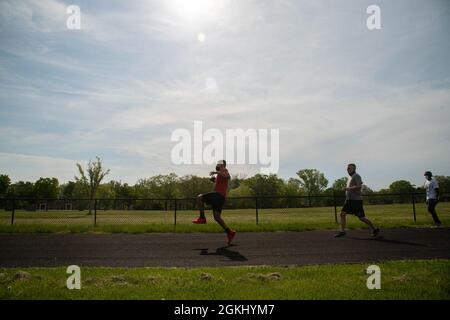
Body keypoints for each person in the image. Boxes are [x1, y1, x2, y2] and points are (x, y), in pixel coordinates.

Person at [192, 160, 236, 244]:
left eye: (219, 163)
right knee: (217, 217)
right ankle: (230, 232)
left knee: (199, 197)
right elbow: (222, 182)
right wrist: (214, 180)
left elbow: (228, 177)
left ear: (223, 165)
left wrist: (217, 172)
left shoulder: (223, 170)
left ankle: (202, 218)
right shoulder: (220, 173)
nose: (217, 164)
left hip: (218, 195)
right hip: (221, 198)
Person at [335, 163, 380, 238]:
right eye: (347, 168)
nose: (347, 169)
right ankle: (342, 231)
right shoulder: (350, 177)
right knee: (342, 214)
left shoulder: (356, 175)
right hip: (349, 200)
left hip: (356, 201)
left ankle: (375, 229)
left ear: (354, 169)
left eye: (349, 168)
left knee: (361, 217)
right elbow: (358, 183)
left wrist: (348, 188)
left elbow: (359, 186)